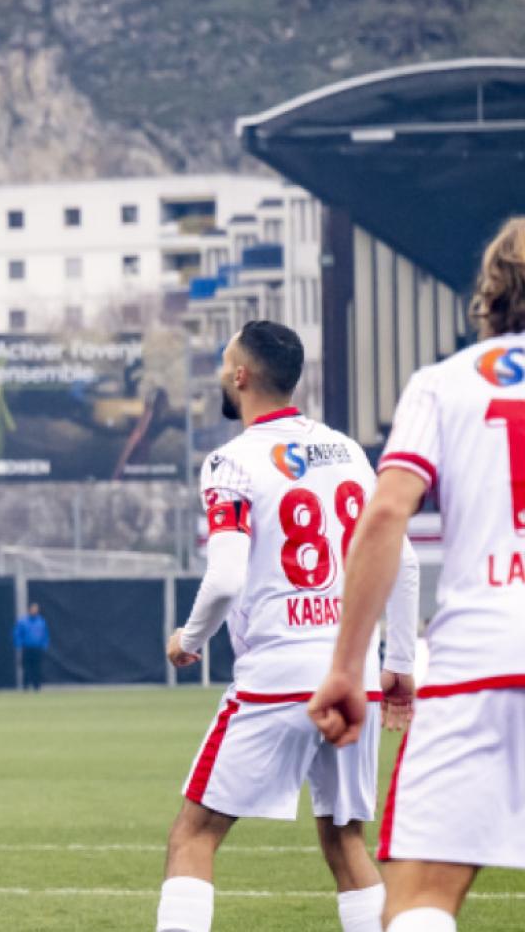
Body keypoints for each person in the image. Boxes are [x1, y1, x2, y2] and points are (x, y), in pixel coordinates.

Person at [156, 320, 419, 932]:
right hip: (353, 673)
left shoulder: (231, 462)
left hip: (279, 672)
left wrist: (187, 640)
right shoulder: (348, 451)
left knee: (192, 838)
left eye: (225, 363)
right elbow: (400, 558)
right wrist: (399, 665)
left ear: (242, 376)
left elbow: (224, 578)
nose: (222, 372)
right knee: (345, 841)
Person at [310, 217, 525, 932]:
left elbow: (383, 517)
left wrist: (348, 667)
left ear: (490, 294)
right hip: (475, 661)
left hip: (476, 663)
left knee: (419, 906)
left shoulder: (442, 383)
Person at [13, 603, 49, 691]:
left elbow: (45, 634)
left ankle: (37, 687)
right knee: (26, 667)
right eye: (33, 609)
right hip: (27, 648)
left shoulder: (41, 622)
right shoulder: (23, 622)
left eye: (36, 609)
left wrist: (44, 644)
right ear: (29, 610)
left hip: (37, 648)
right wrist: (19, 644)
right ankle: (25, 686)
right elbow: (17, 633)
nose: (34, 611)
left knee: (37, 668)